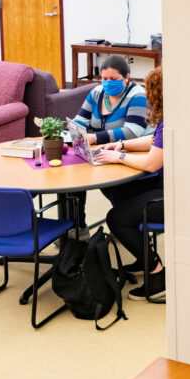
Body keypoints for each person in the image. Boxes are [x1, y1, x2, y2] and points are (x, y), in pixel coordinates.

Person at [94, 66, 165, 301]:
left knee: (117, 218)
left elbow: (152, 164)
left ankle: (157, 275)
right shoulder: (175, 118)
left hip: (178, 193)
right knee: (120, 191)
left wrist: (119, 157)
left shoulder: (174, 121)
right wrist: (121, 145)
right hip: (171, 183)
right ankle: (143, 255)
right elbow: (154, 140)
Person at [68, 55, 150, 226]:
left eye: (113, 79)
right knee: (74, 176)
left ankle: (126, 221)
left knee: (112, 188)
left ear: (126, 77)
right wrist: (70, 131)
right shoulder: (97, 93)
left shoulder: (138, 95)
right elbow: (81, 120)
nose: (107, 83)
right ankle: (77, 228)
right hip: (105, 150)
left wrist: (94, 137)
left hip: (133, 150)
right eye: (104, 79)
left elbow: (133, 132)